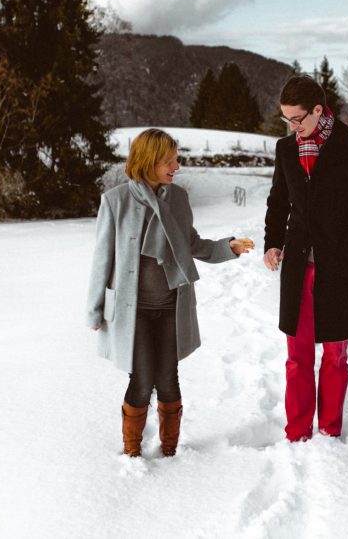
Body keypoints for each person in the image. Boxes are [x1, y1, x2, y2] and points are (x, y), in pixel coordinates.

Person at [86, 128, 254, 457]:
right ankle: (132, 451)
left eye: (176, 159)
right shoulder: (116, 201)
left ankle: (171, 452)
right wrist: (94, 309)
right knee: (143, 376)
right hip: (133, 311)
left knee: (168, 378)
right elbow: (102, 259)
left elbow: (190, 244)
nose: (176, 166)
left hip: (170, 307)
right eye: (169, 160)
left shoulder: (178, 199)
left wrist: (228, 247)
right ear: (148, 161)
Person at [263, 74, 348, 441]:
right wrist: (272, 242)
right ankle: (297, 433)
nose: (292, 127)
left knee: (335, 356)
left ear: (319, 110)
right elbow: (278, 201)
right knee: (297, 356)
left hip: (339, 268)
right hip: (298, 266)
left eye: (297, 119)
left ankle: (330, 430)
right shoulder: (287, 149)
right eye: (286, 119)